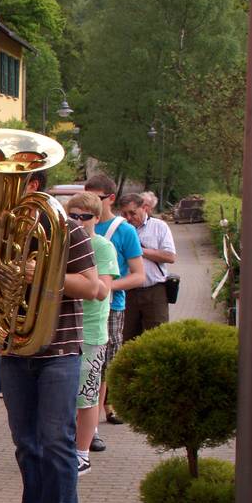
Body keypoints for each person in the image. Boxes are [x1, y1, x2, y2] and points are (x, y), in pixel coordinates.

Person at [0, 199, 100, 503]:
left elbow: (92, 287)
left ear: (33, 186)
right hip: (12, 351)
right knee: (25, 441)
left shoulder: (66, 229)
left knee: (55, 440)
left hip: (59, 352)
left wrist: (39, 275)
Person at [82, 175, 144, 432]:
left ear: (110, 199)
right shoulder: (76, 228)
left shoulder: (124, 230)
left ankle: (93, 426)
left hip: (111, 306)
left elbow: (139, 275)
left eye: (95, 199)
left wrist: (106, 286)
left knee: (103, 365)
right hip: (80, 304)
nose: (89, 206)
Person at [66, 192, 118, 477]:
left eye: (84, 217)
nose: (78, 221)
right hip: (62, 328)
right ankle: (63, 448)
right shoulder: (61, 244)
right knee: (63, 395)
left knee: (86, 395)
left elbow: (101, 291)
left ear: (96, 218)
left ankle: (82, 453)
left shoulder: (103, 246)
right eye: (72, 216)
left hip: (91, 329)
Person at [121, 192, 176, 341]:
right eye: (124, 214)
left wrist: (138, 250)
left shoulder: (159, 226)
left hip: (155, 291)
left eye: (132, 213)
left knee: (158, 337)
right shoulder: (121, 229)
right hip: (128, 293)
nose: (129, 218)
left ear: (144, 208)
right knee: (127, 339)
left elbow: (170, 256)